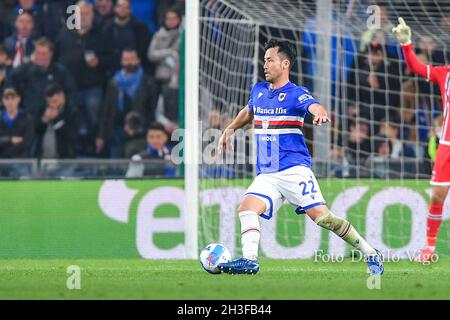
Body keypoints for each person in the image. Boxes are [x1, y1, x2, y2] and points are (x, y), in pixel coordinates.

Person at [216, 40, 384, 275]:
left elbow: (316, 107)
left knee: (324, 219)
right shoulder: (259, 90)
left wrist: (321, 115)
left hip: (294, 170)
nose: (265, 64)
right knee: (246, 208)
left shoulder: (296, 94)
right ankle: (250, 260)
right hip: (267, 172)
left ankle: (371, 253)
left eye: (270, 60)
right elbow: (248, 111)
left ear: (285, 64)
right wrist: (229, 130)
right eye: (264, 60)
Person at [393, 18, 450, 263]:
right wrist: (407, 44)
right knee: (438, 195)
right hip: (447, 144)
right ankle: (429, 248)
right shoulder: (444, 73)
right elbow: (417, 67)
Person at [96, 48, 158, 158]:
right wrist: (101, 135)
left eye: (132, 59)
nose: (129, 62)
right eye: (126, 59)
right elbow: (107, 109)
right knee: (116, 168)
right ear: (121, 61)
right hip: (117, 132)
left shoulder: (148, 82)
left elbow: (152, 109)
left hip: (140, 133)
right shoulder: (114, 82)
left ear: (138, 60)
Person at [8, 37, 78, 118]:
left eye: (44, 53)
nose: (40, 56)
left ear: (51, 54)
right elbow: (12, 77)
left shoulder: (60, 71)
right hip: (31, 117)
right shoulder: (26, 70)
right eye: (38, 53)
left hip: (57, 116)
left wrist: (62, 107)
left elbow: (72, 93)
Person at [34, 84, 78, 159]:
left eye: (55, 101)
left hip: (64, 159)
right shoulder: (41, 110)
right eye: (49, 102)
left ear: (62, 96)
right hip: (43, 158)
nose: (52, 105)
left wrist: (56, 118)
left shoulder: (71, 111)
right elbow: (36, 131)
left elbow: (72, 136)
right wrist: (44, 120)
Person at [0, 87, 34, 159]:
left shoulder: (27, 118)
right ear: (3, 100)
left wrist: (5, 144)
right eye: (7, 99)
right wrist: (10, 140)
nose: (10, 102)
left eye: (13, 98)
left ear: (18, 99)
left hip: (20, 160)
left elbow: (28, 142)